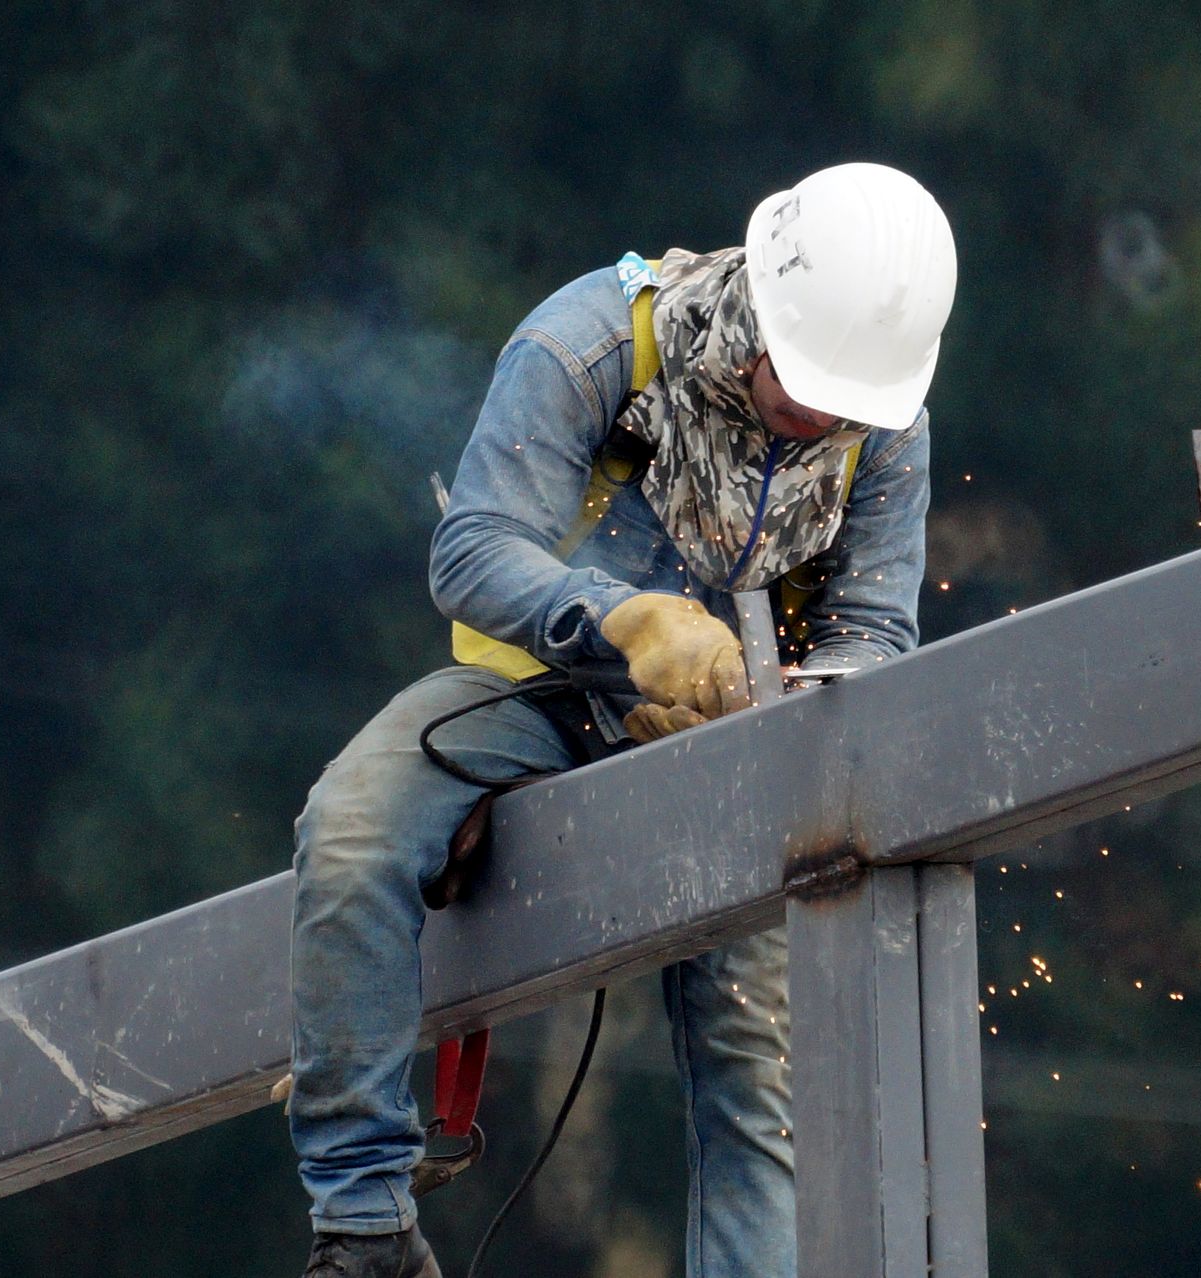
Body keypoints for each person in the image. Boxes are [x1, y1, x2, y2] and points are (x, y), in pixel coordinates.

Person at [288, 162, 957, 1278]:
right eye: (803, 377)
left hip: (740, 759)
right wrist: (627, 623)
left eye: (846, 395)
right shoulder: (597, 342)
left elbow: (876, 641)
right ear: (762, 305)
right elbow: (474, 550)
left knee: (756, 1068)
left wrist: (776, 705)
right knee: (352, 829)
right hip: (537, 701)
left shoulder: (885, 430)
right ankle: (363, 1228)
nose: (821, 411)